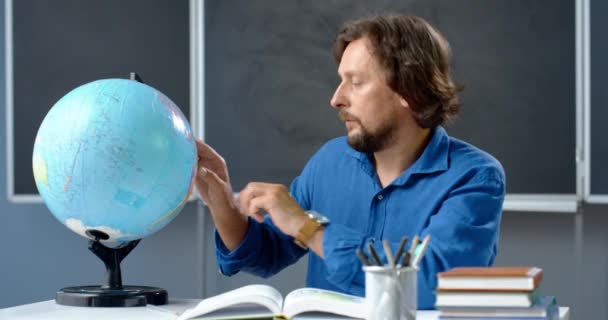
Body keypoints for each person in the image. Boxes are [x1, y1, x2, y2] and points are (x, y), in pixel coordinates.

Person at [194, 14, 505, 309]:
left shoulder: (475, 176)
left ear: (410, 91)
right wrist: (223, 204)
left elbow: (432, 286)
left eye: (355, 82)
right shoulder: (329, 161)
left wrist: (310, 229)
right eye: (340, 81)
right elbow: (264, 254)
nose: (336, 98)